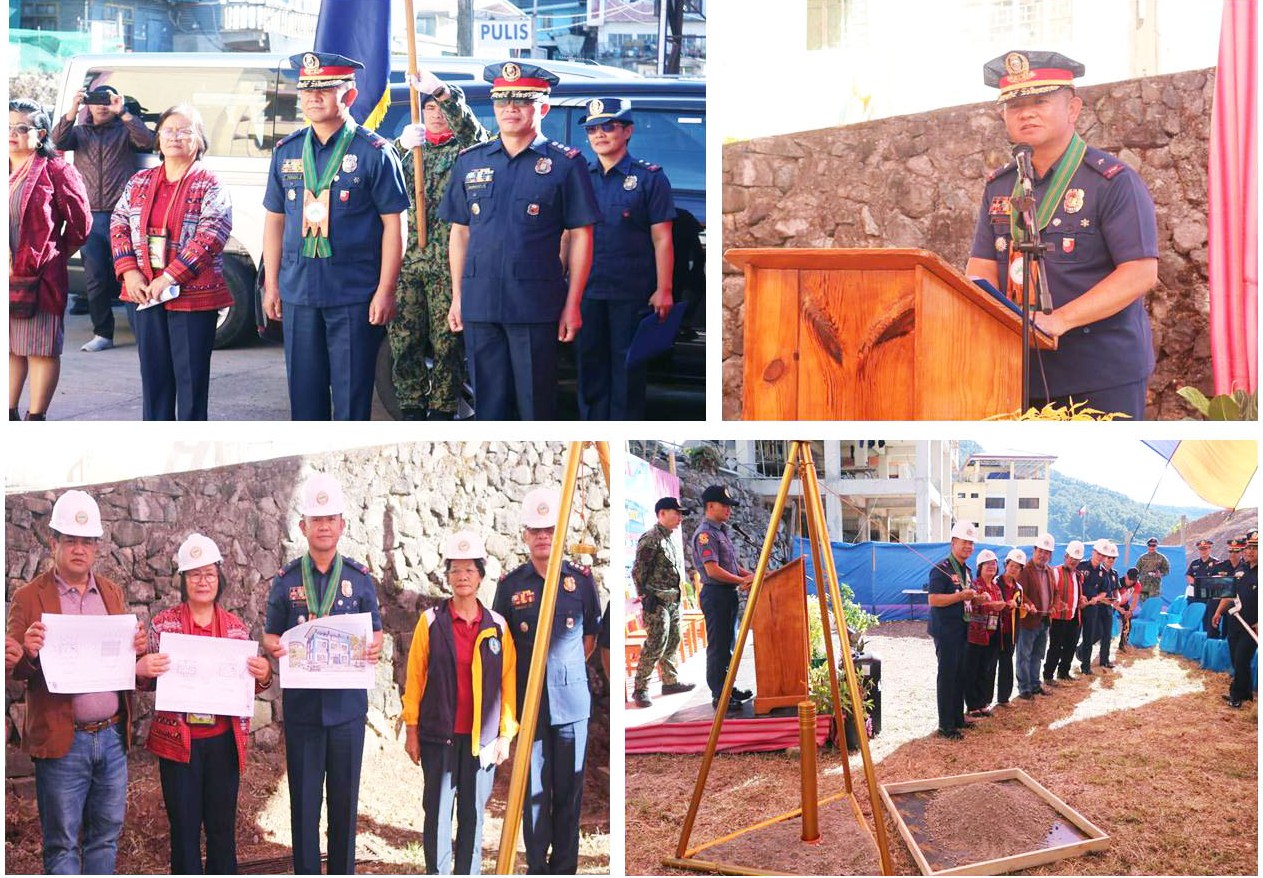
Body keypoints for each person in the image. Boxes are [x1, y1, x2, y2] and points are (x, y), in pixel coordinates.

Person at [965, 51, 1159, 418]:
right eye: (1015, 104)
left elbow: (1139, 273)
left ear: (1073, 109)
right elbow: (981, 267)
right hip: (1017, 371)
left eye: (1040, 101)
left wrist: (1061, 319)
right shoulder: (1001, 185)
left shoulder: (1112, 182)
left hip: (1099, 372)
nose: (1026, 112)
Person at [439, 61, 600, 420]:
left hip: (535, 304)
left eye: (522, 101)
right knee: (488, 409)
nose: (510, 109)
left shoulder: (565, 163)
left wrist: (573, 303)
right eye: (502, 101)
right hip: (480, 303)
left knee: (535, 405)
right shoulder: (470, 161)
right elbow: (460, 232)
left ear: (542, 107)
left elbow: (581, 236)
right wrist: (457, 297)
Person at [5, 489, 147, 874]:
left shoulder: (111, 593)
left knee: (106, 837)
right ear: (54, 543)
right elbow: (15, 667)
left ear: (97, 547)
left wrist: (136, 647)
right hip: (63, 740)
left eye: (87, 542)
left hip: (113, 739)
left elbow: (124, 659)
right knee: (63, 844)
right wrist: (28, 653)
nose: (79, 549)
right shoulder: (28, 597)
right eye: (71, 540)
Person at [262, 52, 409, 420]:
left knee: (351, 399)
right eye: (307, 89)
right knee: (304, 398)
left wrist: (385, 290)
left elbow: (395, 224)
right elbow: (275, 220)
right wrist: (272, 284)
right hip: (299, 292)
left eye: (325, 88)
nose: (313, 97)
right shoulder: (286, 151)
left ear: (350, 96)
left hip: (354, 295)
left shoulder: (374, 152)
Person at [262, 473, 384, 874]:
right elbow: (270, 634)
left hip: (347, 712)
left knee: (345, 805)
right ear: (304, 527)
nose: (325, 526)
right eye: (317, 519)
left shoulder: (359, 579)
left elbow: (376, 631)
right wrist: (272, 646)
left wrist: (376, 645)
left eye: (331, 518)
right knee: (304, 805)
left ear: (342, 525)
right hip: (304, 713)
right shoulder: (286, 582)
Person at [136, 533, 273, 875]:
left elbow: (250, 685)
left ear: (219, 578)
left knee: (222, 830)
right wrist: (143, 669)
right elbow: (147, 680)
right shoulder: (162, 626)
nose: (202, 581)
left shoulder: (237, 631)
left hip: (222, 744)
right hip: (178, 744)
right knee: (183, 832)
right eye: (194, 574)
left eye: (209, 573)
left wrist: (265, 674)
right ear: (183, 580)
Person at [492, 486, 600, 874]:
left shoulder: (582, 582)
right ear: (525, 535)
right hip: (529, 705)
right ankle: (537, 866)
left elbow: (589, 639)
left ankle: (564, 867)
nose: (542, 537)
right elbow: (501, 645)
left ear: (561, 533)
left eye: (550, 529)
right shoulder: (510, 586)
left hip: (571, 703)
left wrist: (562, 671)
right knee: (533, 789)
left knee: (569, 792)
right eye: (535, 530)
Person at [403, 530, 517, 874]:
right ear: (447, 577)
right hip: (439, 735)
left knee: (473, 814)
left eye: (469, 569)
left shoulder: (497, 626)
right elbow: (415, 678)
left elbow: (508, 683)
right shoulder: (431, 622)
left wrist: (505, 734)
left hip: (481, 741)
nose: (462, 576)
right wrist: (411, 729)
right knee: (437, 815)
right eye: (455, 570)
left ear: (481, 576)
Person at [110, 104, 233, 420]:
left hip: (192, 297)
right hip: (145, 295)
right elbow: (119, 222)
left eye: (185, 131)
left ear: (199, 140)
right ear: (158, 138)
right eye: (168, 130)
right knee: (154, 381)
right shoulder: (140, 180)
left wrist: (170, 277)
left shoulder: (209, 182)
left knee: (191, 384)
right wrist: (130, 273)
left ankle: (191, 454)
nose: (175, 137)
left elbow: (212, 232)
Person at [391, 68, 490, 420]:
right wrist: (400, 148)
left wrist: (443, 93)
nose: (435, 114)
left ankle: (444, 408)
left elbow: (474, 132)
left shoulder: (468, 151)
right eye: (429, 107)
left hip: (449, 263)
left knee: (448, 343)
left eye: (439, 108)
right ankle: (411, 405)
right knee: (404, 341)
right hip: (408, 260)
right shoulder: (407, 151)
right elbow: (380, 183)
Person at [575, 97, 677, 420]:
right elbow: (568, 235)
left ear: (628, 131)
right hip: (587, 291)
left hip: (630, 292)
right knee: (589, 371)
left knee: (627, 374)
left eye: (608, 126)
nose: (599, 135)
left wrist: (664, 289)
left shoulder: (649, 178)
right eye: (592, 129)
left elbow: (662, 238)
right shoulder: (579, 175)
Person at [51, 84, 156, 351]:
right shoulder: (80, 133)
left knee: (132, 273)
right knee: (95, 278)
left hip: (122, 215)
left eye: (107, 100)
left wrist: (125, 113)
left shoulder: (124, 131)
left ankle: (141, 331)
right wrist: (73, 109)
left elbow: (148, 142)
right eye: (95, 100)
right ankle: (103, 334)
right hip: (90, 216)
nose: (101, 105)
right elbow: (57, 142)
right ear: (88, 103)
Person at [9, 99, 91, 421]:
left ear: (41, 134)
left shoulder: (56, 169)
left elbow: (81, 225)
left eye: (21, 127)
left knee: (39, 348)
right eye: (7, 126)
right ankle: (8, 414)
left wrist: (50, 255)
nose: (11, 133)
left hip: (38, 276)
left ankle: (35, 417)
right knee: (11, 348)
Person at [691, 484, 756, 712]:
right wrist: (743, 582)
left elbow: (731, 566)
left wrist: (752, 576)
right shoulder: (706, 535)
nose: (729, 509)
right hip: (716, 594)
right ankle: (719, 694)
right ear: (710, 506)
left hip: (727, 594)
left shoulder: (720, 531)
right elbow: (713, 571)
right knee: (719, 647)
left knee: (729, 645)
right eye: (724, 505)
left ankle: (729, 687)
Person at [630, 496, 695, 707]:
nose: (679, 518)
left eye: (680, 514)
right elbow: (638, 571)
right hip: (657, 601)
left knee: (674, 640)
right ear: (662, 514)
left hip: (673, 599)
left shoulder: (669, 538)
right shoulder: (651, 539)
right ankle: (641, 688)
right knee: (656, 642)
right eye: (675, 513)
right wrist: (646, 597)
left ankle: (670, 681)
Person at [927, 521, 978, 738]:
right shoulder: (941, 568)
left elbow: (966, 596)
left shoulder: (967, 570)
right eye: (964, 542)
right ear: (953, 543)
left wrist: (977, 597)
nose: (968, 546)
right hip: (946, 630)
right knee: (947, 676)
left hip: (963, 628)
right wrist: (959, 596)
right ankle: (945, 725)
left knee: (960, 675)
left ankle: (958, 718)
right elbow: (933, 599)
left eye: (971, 543)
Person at [1213, 532, 1258, 708]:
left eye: (1255, 548)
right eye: (1248, 547)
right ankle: (1246, 693)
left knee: (1241, 659)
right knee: (1236, 659)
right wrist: (1218, 612)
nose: (1250, 551)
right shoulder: (1240, 570)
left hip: (1251, 626)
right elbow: (1228, 594)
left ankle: (1236, 695)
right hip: (1234, 623)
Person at [963, 549, 1006, 718]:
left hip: (993, 633)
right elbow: (969, 606)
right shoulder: (974, 585)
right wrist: (989, 606)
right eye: (987, 564)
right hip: (976, 633)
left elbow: (998, 607)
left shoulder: (996, 587)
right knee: (972, 669)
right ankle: (972, 705)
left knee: (986, 669)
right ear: (980, 566)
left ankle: (983, 702)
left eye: (994, 564)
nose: (991, 566)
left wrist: (1003, 605)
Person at [1015, 532, 1055, 698]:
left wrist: (1055, 605)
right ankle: (1024, 687)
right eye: (1040, 551)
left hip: (1045, 620)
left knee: (1038, 654)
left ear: (1050, 555)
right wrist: (1029, 603)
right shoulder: (1024, 570)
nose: (1043, 555)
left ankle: (1035, 684)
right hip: (1028, 621)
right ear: (1034, 550)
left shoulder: (1050, 571)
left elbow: (1056, 592)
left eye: (1046, 552)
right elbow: (1019, 591)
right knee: (1024, 655)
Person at [1043, 539, 1084, 682]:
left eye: (1077, 559)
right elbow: (1049, 593)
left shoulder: (1079, 575)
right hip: (1057, 617)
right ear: (1065, 556)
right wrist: (1057, 603)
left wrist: (1081, 599)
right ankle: (1048, 675)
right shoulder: (1056, 572)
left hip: (1073, 616)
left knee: (1070, 646)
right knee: (1055, 647)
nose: (1073, 562)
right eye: (1072, 558)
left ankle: (1063, 672)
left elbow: (1077, 593)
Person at [1077, 538, 1120, 674]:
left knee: (1090, 637)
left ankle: (1086, 667)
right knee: (1072, 637)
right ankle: (1064, 668)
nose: (1100, 557)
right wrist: (1080, 597)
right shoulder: (1081, 566)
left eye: (1103, 555)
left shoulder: (1105, 573)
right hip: (1078, 607)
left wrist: (1097, 598)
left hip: (1093, 608)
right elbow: (1074, 583)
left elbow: (1105, 591)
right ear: (1093, 552)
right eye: (1098, 553)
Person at [994, 549, 1026, 706]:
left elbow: (1020, 607)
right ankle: (983, 701)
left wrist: (1020, 606)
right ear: (1006, 565)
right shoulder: (994, 583)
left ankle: (1004, 698)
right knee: (989, 665)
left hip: (1010, 631)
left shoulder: (1019, 588)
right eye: (1011, 565)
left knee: (1007, 664)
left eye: (1017, 567)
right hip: (993, 631)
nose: (1013, 569)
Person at [1186, 538, 1221, 637]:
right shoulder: (1194, 563)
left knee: (1207, 622)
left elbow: (1218, 578)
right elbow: (1189, 576)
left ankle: (1205, 640)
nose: (1203, 551)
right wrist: (1198, 584)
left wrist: (1204, 584)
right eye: (1201, 549)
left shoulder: (1216, 563)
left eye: (1205, 549)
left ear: (1210, 549)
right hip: (1195, 596)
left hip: (1208, 598)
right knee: (1192, 620)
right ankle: (1191, 640)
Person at [1112, 567, 1140, 652]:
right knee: (1105, 622)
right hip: (1112, 603)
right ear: (1125, 576)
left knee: (1128, 624)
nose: (1131, 582)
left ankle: (1123, 644)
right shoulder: (1118, 582)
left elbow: (1135, 600)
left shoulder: (1137, 584)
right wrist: (1119, 609)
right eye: (1129, 579)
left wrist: (1130, 611)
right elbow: (1112, 599)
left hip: (1124, 604)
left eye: (1133, 580)